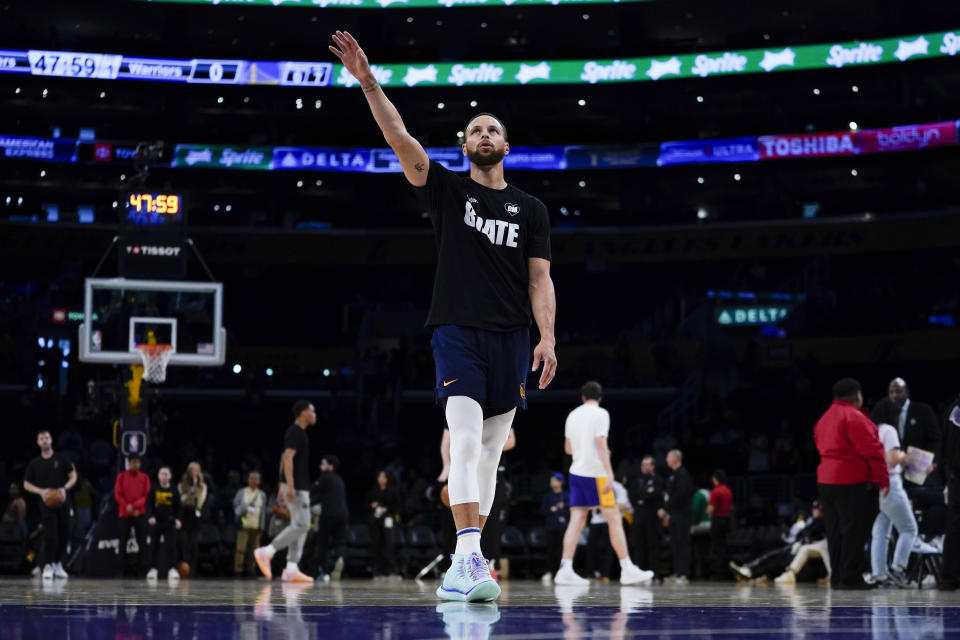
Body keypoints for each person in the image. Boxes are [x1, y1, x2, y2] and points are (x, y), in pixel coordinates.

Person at [329, 30, 557, 604]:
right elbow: (398, 135)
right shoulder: (447, 191)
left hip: (513, 338)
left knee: (489, 456)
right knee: (461, 440)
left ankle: (468, 563)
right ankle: (467, 558)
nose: (485, 134)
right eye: (475, 129)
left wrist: (548, 337)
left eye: (493, 129)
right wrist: (368, 81)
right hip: (456, 330)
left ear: (506, 146)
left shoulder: (531, 209)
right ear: (463, 146)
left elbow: (540, 279)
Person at [553, 381, 652, 586]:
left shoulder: (572, 415)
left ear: (582, 397)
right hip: (595, 474)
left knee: (577, 521)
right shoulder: (602, 414)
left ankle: (565, 568)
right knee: (614, 518)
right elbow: (600, 444)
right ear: (600, 398)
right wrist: (609, 473)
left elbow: (568, 449)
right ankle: (626, 569)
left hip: (576, 473)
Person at [814, 378, 889, 589]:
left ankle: (838, 577)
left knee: (835, 531)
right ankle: (851, 577)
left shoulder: (823, 419)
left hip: (826, 481)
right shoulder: (854, 417)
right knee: (855, 531)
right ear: (857, 396)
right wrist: (882, 479)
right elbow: (873, 451)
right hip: (851, 480)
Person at [254, 400, 316, 583]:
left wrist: (281, 484)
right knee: (303, 524)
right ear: (303, 412)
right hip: (296, 486)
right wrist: (288, 485)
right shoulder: (295, 431)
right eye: (312, 411)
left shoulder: (299, 433)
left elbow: (283, 457)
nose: (315, 414)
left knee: (299, 526)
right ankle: (267, 551)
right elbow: (288, 457)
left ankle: (291, 568)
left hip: (296, 485)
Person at [869, 398, 918, 587]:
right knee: (909, 529)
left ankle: (879, 574)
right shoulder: (889, 430)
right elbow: (892, 459)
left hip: (876, 485)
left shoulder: (873, 431)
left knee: (880, 531)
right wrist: (909, 458)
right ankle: (898, 569)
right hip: (891, 483)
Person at [730, 501, 829, 583]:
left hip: (800, 548)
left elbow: (819, 537)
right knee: (769, 551)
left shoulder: (822, 522)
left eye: (817, 509)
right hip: (795, 545)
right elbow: (803, 533)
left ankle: (749, 570)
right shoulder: (811, 521)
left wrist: (809, 540)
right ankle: (752, 571)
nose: (814, 511)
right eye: (814, 508)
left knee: (774, 555)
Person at [23, 429, 76, 581]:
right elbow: (26, 484)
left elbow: (73, 476)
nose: (45, 440)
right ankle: (47, 565)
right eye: (42, 438)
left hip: (63, 501)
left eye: (47, 437)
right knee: (50, 534)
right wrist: (40, 491)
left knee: (65, 532)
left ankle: (58, 564)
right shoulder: (35, 463)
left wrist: (65, 488)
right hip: (46, 503)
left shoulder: (62, 458)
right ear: (38, 442)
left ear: (51, 440)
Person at [888, 377, 943, 489]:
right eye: (891, 392)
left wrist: (934, 462)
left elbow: (936, 439)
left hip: (921, 470)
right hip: (898, 471)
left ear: (907, 393)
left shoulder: (923, 410)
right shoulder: (887, 413)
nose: (894, 395)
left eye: (898, 391)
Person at [657, 449, 693, 583]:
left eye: (668, 457)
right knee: (675, 544)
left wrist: (666, 509)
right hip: (674, 515)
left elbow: (680, 496)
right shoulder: (673, 474)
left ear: (675, 459)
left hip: (682, 516)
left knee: (682, 543)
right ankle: (677, 572)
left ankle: (683, 574)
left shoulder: (682, 474)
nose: (666, 460)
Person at [114, 454, 151, 577]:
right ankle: (121, 571)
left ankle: (142, 571)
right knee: (122, 542)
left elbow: (146, 495)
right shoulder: (121, 476)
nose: (136, 464)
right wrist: (127, 506)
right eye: (133, 462)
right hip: (125, 513)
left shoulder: (145, 477)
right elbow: (118, 494)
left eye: (138, 462)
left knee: (142, 543)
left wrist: (134, 506)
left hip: (139, 512)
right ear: (129, 463)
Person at [313, 455, 348, 580]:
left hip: (328, 514)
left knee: (323, 543)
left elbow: (314, 493)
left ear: (330, 466)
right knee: (340, 542)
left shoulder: (325, 477)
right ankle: (340, 559)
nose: (320, 466)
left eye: (323, 464)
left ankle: (323, 571)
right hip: (343, 515)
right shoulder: (339, 479)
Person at [628, 456, 663, 578]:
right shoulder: (637, 481)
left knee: (652, 544)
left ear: (653, 466)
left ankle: (654, 573)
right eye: (642, 465)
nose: (644, 467)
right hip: (638, 515)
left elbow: (656, 495)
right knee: (639, 545)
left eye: (647, 464)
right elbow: (633, 496)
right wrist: (646, 494)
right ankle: (639, 572)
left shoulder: (657, 480)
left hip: (652, 516)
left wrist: (644, 496)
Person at [939, 394, 960, 590]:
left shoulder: (952, 408)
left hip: (955, 476)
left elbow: (942, 442)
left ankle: (949, 578)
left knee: (954, 526)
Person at [146, 465, 181, 582]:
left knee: (171, 546)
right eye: (162, 474)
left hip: (169, 523)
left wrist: (178, 519)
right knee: (154, 546)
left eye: (166, 474)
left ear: (170, 476)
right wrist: (150, 516)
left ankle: (172, 569)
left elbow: (178, 507)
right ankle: (153, 569)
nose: (164, 476)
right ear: (158, 476)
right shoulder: (154, 489)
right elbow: (148, 505)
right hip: (157, 522)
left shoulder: (174, 490)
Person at [366, 470, 399, 577]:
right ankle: (377, 570)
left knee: (388, 543)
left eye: (384, 477)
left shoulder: (392, 491)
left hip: (388, 519)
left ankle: (390, 569)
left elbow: (397, 506)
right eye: (379, 477)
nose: (381, 479)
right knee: (376, 543)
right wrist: (373, 505)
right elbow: (366, 503)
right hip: (375, 520)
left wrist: (387, 509)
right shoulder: (373, 490)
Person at [234, 471, 267, 577]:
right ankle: (238, 570)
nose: (253, 480)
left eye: (256, 479)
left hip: (256, 526)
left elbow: (263, 511)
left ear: (259, 481)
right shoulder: (242, 492)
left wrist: (262, 526)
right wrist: (242, 509)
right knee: (240, 549)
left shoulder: (262, 494)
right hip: (244, 524)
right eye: (251, 478)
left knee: (254, 551)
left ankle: (251, 570)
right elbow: (235, 505)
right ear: (248, 480)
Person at [178, 461, 208, 575]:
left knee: (194, 542)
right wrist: (188, 494)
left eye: (196, 470)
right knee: (184, 541)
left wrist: (196, 495)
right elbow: (180, 500)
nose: (194, 473)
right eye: (192, 470)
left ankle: (193, 569)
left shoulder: (202, 485)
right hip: (185, 512)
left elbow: (201, 502)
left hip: (195, 512)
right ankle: (184, 566)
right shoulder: (183, 484)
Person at [540, 472, 568, 581]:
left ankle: (560, 572)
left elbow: (569, 510)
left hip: (562, 527)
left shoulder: (566, 496)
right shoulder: (548, 496)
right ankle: (549, 572)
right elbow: (543, 510)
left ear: (561, 482)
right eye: (551, 480)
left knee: (561, 550)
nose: (552, 482)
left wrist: (558, 509)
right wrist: (553, 510)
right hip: (551, 526)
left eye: (555, 480)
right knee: (550, 549)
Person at [707, 470, 732, 574]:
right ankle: (725, 569)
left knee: (716, 547)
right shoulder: (728, 490)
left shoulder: (716, 491)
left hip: (717, 520)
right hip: (726, 519)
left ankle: (718, 571)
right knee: (723, 545)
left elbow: (710, 509)